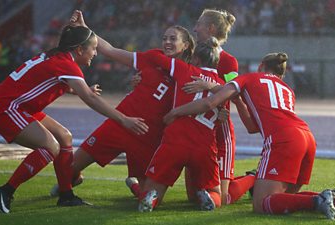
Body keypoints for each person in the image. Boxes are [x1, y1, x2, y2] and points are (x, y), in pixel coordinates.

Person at [163, 52, 335, 220]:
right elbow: (252, 127)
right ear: (282, 74)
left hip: (284, 139)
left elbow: (212, 101)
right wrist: (240, 103)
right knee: (283, 198)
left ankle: (318, 200)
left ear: (261, 66)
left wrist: (192, 98)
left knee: (261, 204)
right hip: (307, 136)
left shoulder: (249, 77)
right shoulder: (288, 90)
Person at [0, 25, 149, 214]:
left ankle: (66, 196)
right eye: (93, 48)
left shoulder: (59, 57)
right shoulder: (66, 64)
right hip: (7, 108)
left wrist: (81, 89)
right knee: (50, 147)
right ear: (79, 49)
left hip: (20, 106)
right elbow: (90, 99)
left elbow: (51, 81)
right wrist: (123, 119)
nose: (95, 53)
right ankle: (5, 191)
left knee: (65, 137)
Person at [48, 10, 195, 203]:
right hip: (120, 122)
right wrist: (84, 29)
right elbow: (110, 50)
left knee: (147, 197)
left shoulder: (189, 73)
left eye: (173, 39)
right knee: (68, 170)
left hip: (148, 135)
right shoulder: (153, 57)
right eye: (164, 38)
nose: (167, 42)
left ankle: (133, 183)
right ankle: (74, 179)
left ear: (185, 45)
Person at [136, 37, 225, 212]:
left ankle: (151, 198)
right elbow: (223, 116)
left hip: (176, 140)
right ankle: (208, 197)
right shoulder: (223, 86)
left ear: (196, 59)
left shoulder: (184, 69)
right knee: (216, 193)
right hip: (205, 146)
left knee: (152, 189)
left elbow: (154, 58)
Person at [184, 8, 255, 206]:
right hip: (195, 131)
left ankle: (254, 178)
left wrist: (211, 88)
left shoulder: (228, 61)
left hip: (219, 130)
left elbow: (235, 91)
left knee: (223, 199)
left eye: (199, 24)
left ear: (211, 28)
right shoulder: (190, 55)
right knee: (193, 198)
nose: (195, 28)